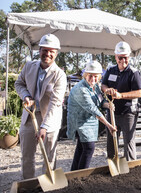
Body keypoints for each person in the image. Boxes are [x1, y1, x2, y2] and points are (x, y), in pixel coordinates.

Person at [15, 34, 67, 179]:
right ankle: (28, 185)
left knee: (49, 157)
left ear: (56, 53)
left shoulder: (59, 75)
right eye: (45, 50)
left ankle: (48, 185)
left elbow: (55, 103)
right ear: (40, 50)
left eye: (52, 51)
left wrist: (44, 126)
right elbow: (19, 83)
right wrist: (25, 96)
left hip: (50, 118)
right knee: (27, 157)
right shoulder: (29, 66)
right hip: (29, 117)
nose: (48, 54)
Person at [67, 61, 116, 171]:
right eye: (90, 76)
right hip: (79, 121)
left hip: (89, 121)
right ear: (85, 75)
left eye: (96, 76)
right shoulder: (81, 89)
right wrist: (108, 125)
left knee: (81, 147)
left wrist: (108, 105)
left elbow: (100, 101)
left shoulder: (95, 87)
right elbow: (93, 109)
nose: (93, 79)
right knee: (89, 147)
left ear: (99, 77)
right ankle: (82, 174)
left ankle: (74, 173)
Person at [101, 41, 141, 161]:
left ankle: (130, 165)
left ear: (128, 57)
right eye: (120, 58)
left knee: (128, 141)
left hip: (128, 112)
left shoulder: (133, 73)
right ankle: (112, 162)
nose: (123, 61)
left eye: (125, 58)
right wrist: (107, 90)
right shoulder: (110, 70)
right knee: (111, 139)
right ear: (116, 57)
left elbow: (139, 93)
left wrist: (121, 95)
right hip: (112, 111)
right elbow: (103, 85)